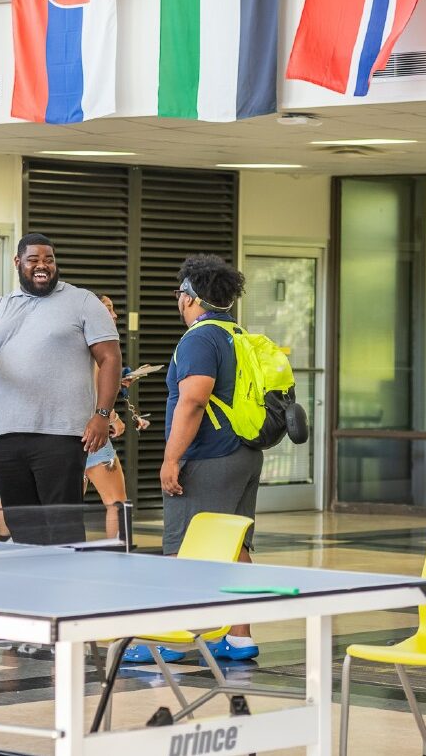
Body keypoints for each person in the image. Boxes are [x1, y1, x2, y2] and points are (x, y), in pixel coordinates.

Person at [0, 233, 122, 545]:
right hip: (8, 438)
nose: (42, 265)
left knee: (63, 528)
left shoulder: (82, 301)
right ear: (18, 263)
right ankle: (31, 590)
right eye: (33, 260)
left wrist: (101, 414)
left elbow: (110, 357)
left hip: (62, 437)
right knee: (22, 528)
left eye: (49, 259)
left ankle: (66, 590)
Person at [158, 254, 262, 662]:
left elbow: (194, 399)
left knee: (180, 546)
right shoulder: (237, 333)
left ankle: (171, 637)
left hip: (207, 456)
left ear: (189, 296)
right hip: (243, 452)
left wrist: (171, 458)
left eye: (178, 292)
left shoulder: (199, 339)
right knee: (235, 544)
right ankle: (239, 637)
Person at [85, 295, 134, 539]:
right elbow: (96, 391)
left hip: (70, 433)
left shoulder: (77, 344)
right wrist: (113, 417)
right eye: (108, 310)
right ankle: (120, 557)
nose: (114, 316)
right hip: (94, 435)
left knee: (69, 505)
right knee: (118, 503)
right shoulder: (101, 347)